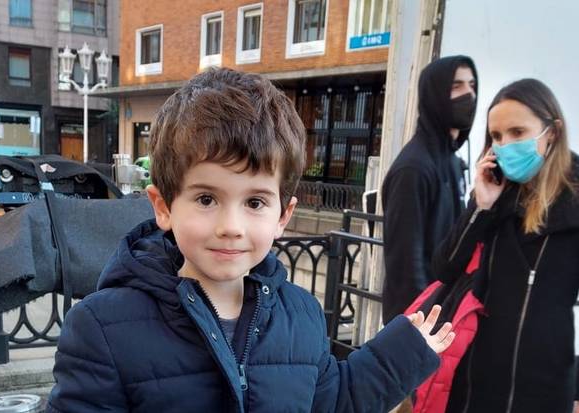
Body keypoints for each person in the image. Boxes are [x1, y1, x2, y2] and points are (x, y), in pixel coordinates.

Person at [46, 68, 455, 412]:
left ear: (283, 216)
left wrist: (399, 355)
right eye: (207, 199)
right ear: (164, 206)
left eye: (255, 202)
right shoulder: (101, 328)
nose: (232, 226)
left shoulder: (302, 314)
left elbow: (331, 402)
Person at [432, 78, 579, 412]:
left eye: (517, 132)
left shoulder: (574, 204)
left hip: (546, 386)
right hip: (475, 382)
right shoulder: (494, 195)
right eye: (496, 136)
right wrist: (480, 207)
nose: (505, 145)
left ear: (552, 132)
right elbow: (445, 269)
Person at [381, 55, 478, 323]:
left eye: (472, 85)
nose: (469, 94)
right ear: (435, 94)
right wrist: (420, 326)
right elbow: (405, 264)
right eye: (456, 86)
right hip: (419, 323)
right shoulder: (413, 168)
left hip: (444, 314)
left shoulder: (452, 161)